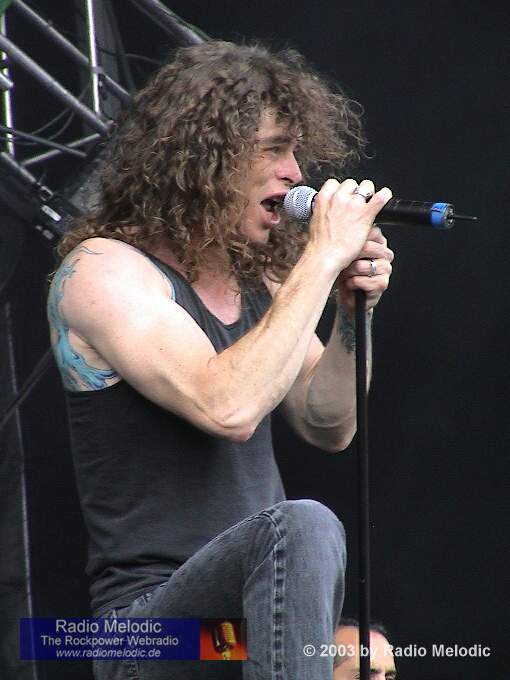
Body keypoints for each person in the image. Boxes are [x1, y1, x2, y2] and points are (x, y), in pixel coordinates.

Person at [47, 40, 394, 679]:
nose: (295, 173)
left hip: (253, 624)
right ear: (207, 157)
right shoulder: (102, 271)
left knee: (356, 644)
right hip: (146, 637)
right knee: (303, 527)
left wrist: (349, 311)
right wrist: (321, 259)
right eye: (275, 149)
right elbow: (227, 406)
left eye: (297, 151)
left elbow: (330, 425)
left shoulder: (260, 283)